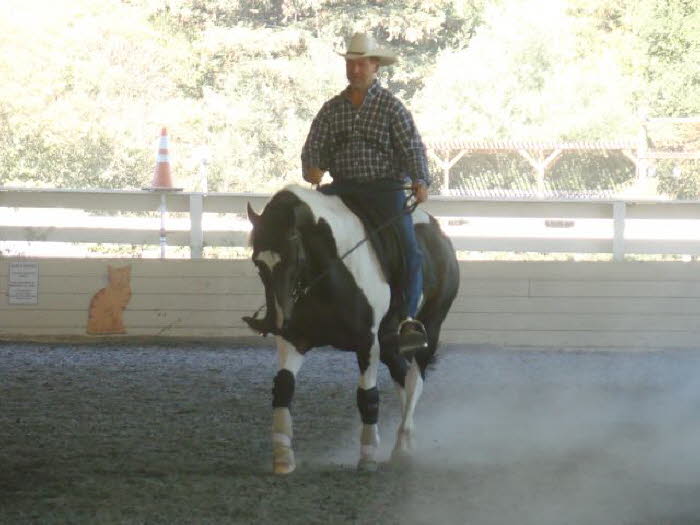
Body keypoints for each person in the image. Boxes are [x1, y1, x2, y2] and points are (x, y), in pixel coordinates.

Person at [301, 32, 431, 352]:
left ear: (375, 66)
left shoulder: (391, 108)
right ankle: (299, 308)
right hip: (342, 189)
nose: (355, 70)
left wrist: (421, 179)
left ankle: (407, 320)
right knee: (303, 232)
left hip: (383, 190)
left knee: (409, 252)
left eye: (362, 64)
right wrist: (311, 168)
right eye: (351, 64)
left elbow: (412, 147)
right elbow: (313, 149)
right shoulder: (331, 110)